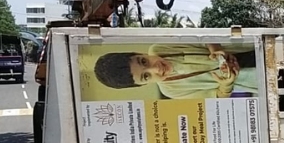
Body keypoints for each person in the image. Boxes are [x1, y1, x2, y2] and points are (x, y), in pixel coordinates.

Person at [93, 44, 258, 99]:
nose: (156, 68)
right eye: (146, 76)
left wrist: (215, 48)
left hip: (251, 47)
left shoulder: (160, 48)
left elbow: (201, 37)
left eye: (144, 61)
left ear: (140, 53)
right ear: (142, 85)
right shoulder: (170, 90)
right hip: (255, 78)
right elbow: (218, 96)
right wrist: (227, 84)